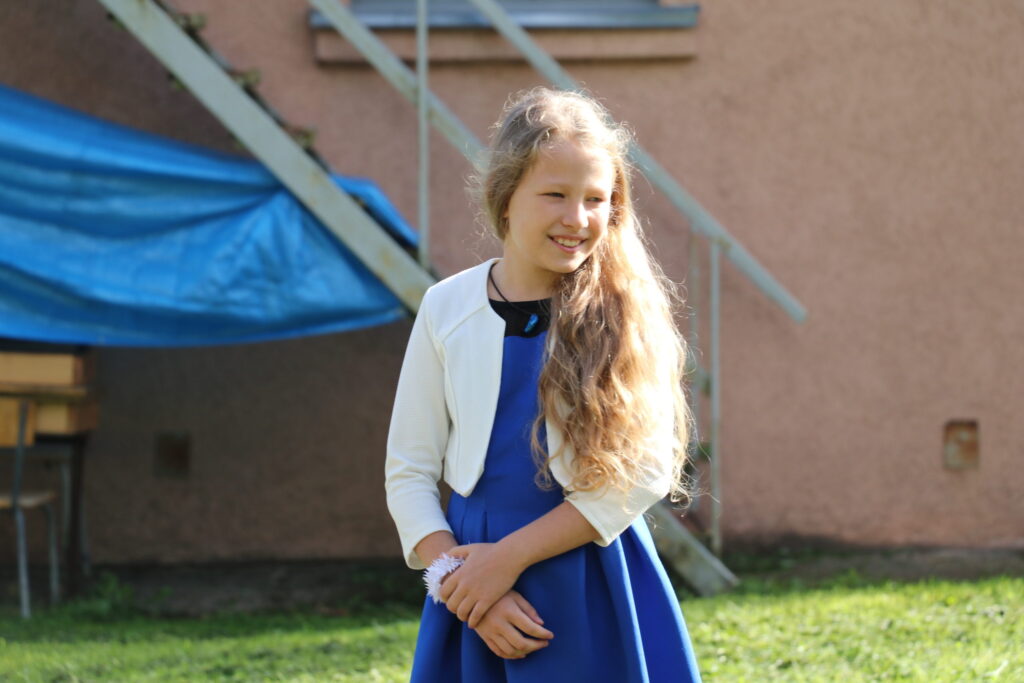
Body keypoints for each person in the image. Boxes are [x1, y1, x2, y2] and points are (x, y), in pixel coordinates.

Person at [385, 86, 703, 682]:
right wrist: (463, 585)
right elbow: (408, 471)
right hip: (468, 583)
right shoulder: (445, 307)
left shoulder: (625, 312)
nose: (577, 218)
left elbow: (645, 470)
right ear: (505, 197)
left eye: (596, 199)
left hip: (591, 576)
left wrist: (507, 559)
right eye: (555, 194)